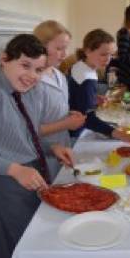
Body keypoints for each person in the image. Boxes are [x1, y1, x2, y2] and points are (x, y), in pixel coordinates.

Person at [0, 34, 75, 258]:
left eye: (39, 70)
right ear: (4, 59)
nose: (32, 76)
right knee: (15, 241)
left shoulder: (33, 92)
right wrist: (15, 169)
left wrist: (52, 147)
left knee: (36, 235)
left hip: (37, 174)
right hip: (7, 182)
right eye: (25, 65)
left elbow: (26, 138)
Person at [68, 29, 130, 145]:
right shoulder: (86, 77)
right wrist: (118, 133)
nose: (108, 59)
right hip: (77, 135)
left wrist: (92, 98)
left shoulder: (80, 66)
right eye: (103, 54)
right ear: (87, 51)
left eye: (111, 55)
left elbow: (75, 96)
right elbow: (87, 118)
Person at [34, 20, 86, 180]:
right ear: (41, 47)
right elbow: (29, 129)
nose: (64, 54)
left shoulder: (59, 76)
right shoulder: (32, 83)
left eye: (65, 48)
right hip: (43, 153)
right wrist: (66, 123)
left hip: (63, 147)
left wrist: (67, 114)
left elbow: (53, 109)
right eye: (59, 48)